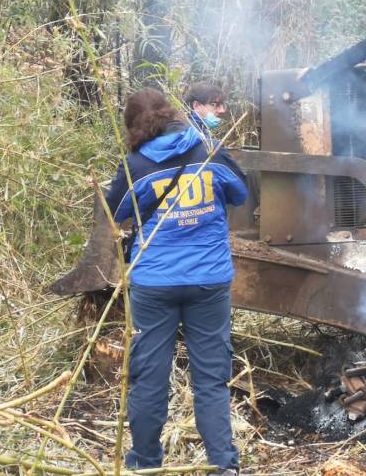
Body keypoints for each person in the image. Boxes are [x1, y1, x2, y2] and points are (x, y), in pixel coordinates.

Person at [105, 88, 247, 475]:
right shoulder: (210, 150)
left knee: (149, 376)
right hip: (209, 280)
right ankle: (224, 465)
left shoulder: (135, 164)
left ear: (133, 125)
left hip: (155, 282)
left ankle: (145, 463)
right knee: (211, 377)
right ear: (171, 112)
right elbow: (241, 192)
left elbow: (116, 212)